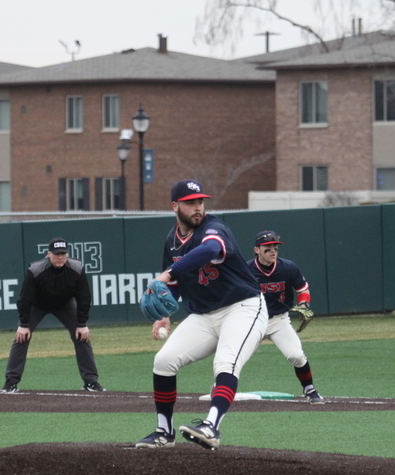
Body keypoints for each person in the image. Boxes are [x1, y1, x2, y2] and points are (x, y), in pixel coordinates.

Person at [136, 179, 268, 450]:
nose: (198, 207)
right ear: (175, 206)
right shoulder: (171, 240)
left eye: (200, 202)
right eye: (190, 203)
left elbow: (210, 250)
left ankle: (211, 426)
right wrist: (165, 315)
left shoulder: (213, 227)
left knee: (226, 363)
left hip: (243, 307)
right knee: (164, 361)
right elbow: (170, 287)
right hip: (205, 316)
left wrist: (168, 273)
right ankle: (164, 431)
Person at [0, 237, 105, 393]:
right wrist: (23, 325)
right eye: (56, 254)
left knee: (82, 336)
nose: (60, 257)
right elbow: (24, 298)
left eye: (63, 253)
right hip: (38, 305)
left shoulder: (76, 268)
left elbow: (84, 297)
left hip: (65, 304)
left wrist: (82, 324)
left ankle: (90, 382)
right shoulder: (36, 270)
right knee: (21, 337)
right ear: (48, 254)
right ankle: (11, 382)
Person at [248, 230, 325, 404]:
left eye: (275, 247)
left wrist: (304, 303)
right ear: (257, 250)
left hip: (279, 320)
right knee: (235, 358)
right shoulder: (246, 270)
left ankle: (310, 389)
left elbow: (302, 289)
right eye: (267, 248)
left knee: (296, 355)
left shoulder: (288, 267)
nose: (272, 250)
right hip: (252, 321)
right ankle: (219, 388)